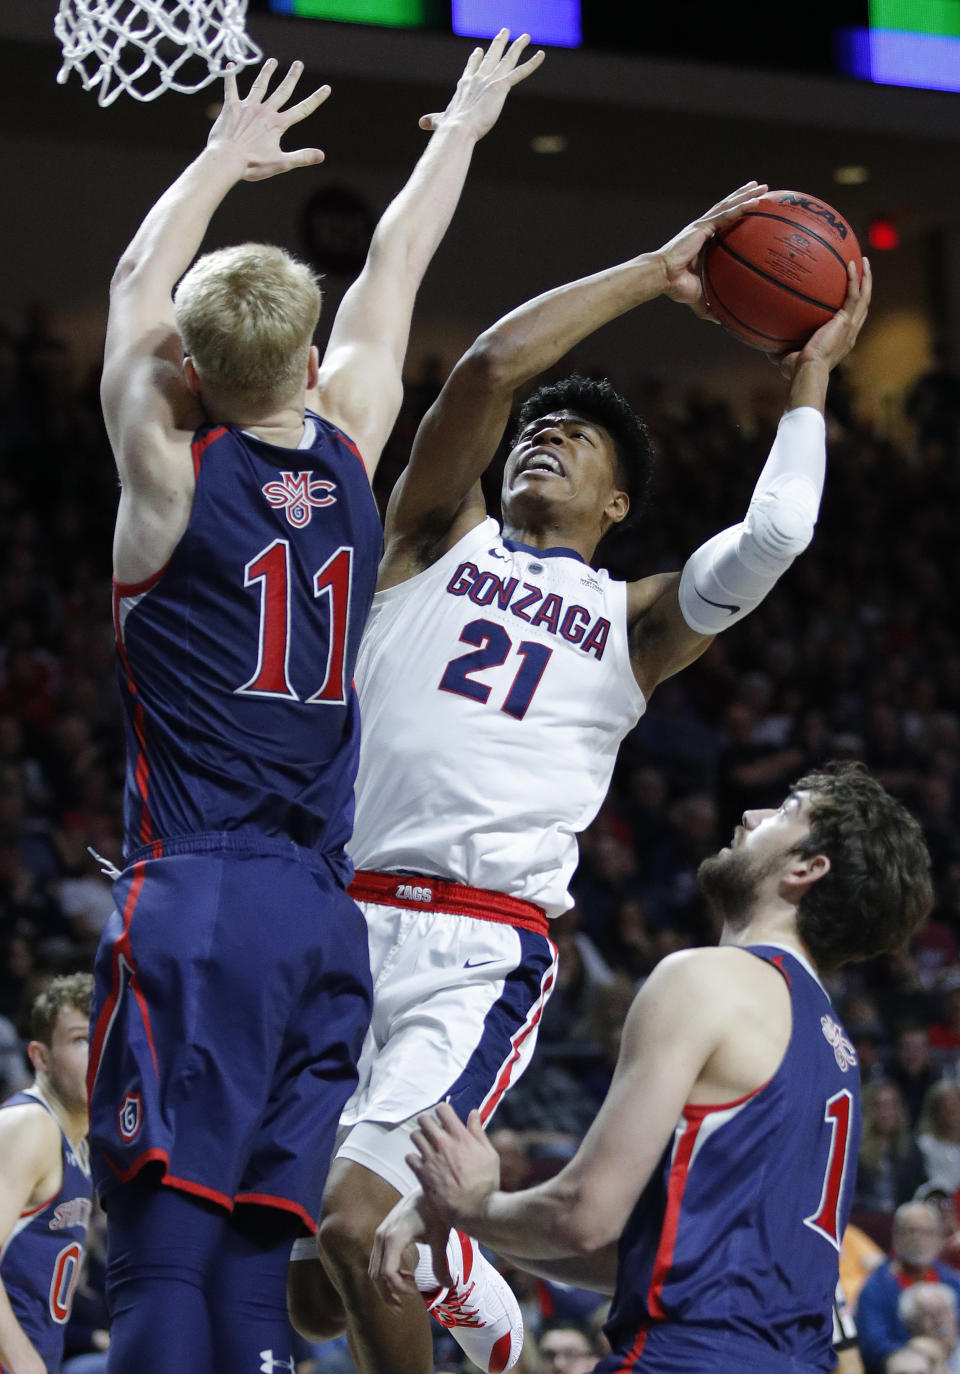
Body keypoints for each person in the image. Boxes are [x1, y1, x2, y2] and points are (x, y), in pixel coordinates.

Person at [289, 182, 873, 1371]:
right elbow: (490, 372)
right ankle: (461, 1270)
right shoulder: (427, 539)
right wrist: (659, 272)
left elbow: (771, 544)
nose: (545, 439)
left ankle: (443, 1267)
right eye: (539, 437)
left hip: (474, 947)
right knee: (308, 1278)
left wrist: (809, 379)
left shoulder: (636, 620)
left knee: (355, 1233)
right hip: (330, 916)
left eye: (582, 440)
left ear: (616, 504)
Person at [86, 34, 544, 1374]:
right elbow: (396, 265)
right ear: (300, 352)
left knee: (163, 1242)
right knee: (248, 1248)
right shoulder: (350, 431)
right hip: (321, 916)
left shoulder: (166, 469)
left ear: (188, 366)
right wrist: (459, 123)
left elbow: (128, 282)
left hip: (202, 892)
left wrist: (217, 158)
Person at [371, 763, 934, 1374]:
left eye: (785, 811)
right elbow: (645, 1263)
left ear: (806, 868)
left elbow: (583, 1214)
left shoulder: (705, 979)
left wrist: (470, 1201)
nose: (750, 816)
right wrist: (471, 1224)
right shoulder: (834, 1046)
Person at [0, 973, 93, 1374]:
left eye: (107, 1039)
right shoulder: (31, 1124)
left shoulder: (81, 1147)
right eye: (80, 1040)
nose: (99, 1055)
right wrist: (24, 1363)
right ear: (39, 1057)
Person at [857, 1203, 960, 1374]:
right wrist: (914, 1348)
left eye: (926, 1232)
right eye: (909, 1231)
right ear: (895, 1235)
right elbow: (872, 1345)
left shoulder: (951, 1279)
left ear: (939, 1237)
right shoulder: (876, 1286)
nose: (917, 1238)